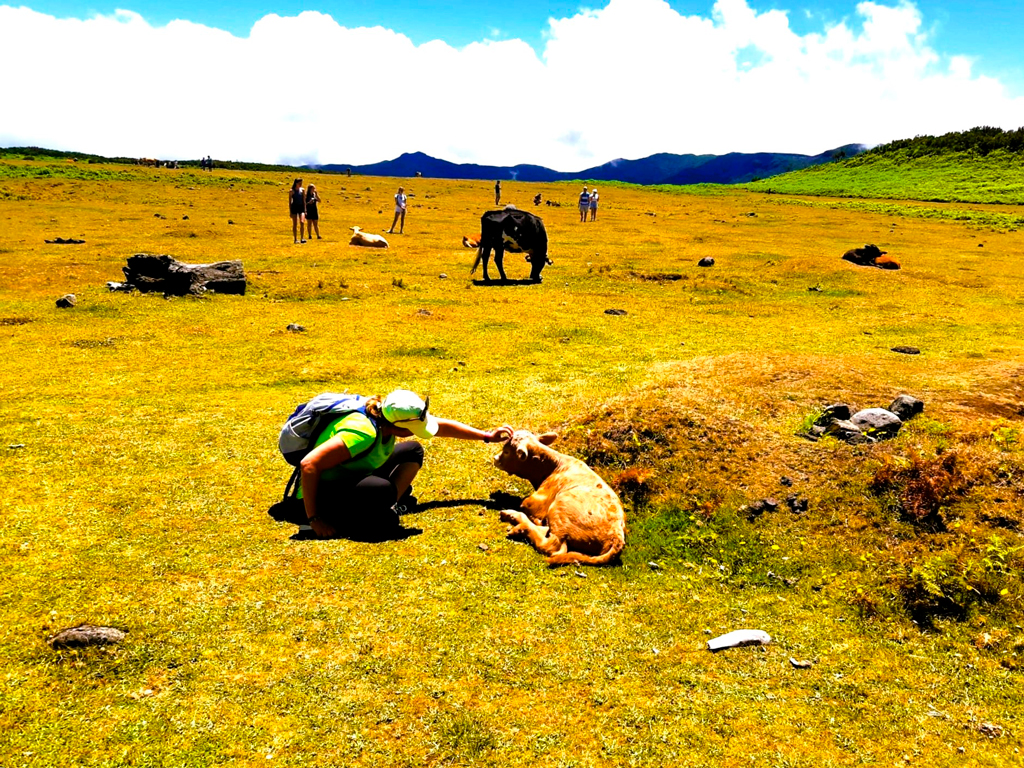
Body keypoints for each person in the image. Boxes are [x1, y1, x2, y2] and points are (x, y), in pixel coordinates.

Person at [298, 390, 513, 538]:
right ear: (398, 425)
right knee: (382, 491)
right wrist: (315, 518)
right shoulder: (362, 433)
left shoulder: (385, 416)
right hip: (322, 494)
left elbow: (441, 427)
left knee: (413, 450)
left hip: (354, 472)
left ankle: (384, 507)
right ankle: (364, 513)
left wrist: (486, 436)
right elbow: (308, 464)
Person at [289, 178, 306, 244]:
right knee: (295, 224)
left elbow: (304, 201)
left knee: (302, 222)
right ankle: (295, 239)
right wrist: (290, 211)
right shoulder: (291, 191)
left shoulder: (302, 190)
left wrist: (305, 210)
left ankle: (302, 238)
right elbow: (290, 202)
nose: (301, 184)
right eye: (299, 183)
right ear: (296, 183)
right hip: (294, 207)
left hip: (301, 207)